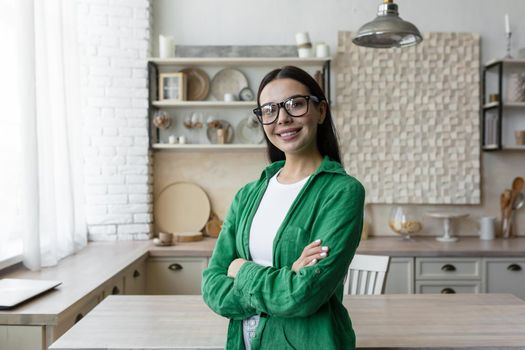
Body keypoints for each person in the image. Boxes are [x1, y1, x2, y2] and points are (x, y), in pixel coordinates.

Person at [202, 65, 365, 350]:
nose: (283, 118)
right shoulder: (248, 195)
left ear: (321, 111)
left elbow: (304, 295)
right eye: (269, 109)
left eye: (295, 104)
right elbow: (212, 286)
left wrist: (241, 270)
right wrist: (286, 278)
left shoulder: (342, 193)